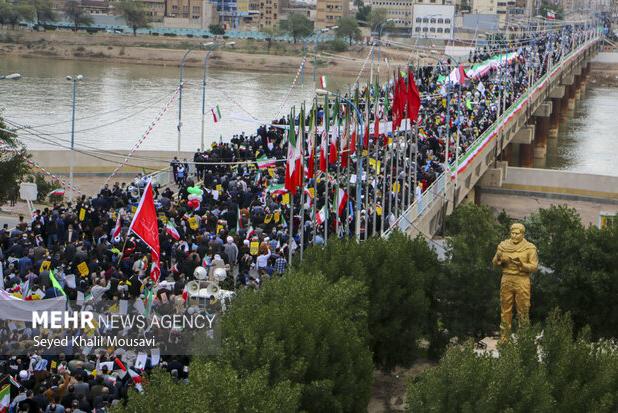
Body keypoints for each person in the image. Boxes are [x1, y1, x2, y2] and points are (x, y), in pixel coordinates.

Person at [492, 223, 538, 343]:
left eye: (517, 233)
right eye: (512, 233)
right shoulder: (503, 245)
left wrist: (522, 265)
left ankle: (523, 339)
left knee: (523, 309)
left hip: (522, 279)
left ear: (522, 234)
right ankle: (504, 338)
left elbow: (534, 267)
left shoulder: (529, 248)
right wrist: (499, 258)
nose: (514, 235)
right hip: (506, 278)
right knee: (505, 309)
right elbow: (494, 263)